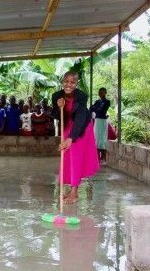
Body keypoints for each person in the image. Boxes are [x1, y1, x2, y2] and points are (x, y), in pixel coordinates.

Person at [51, 71, 99, 204]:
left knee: (76, 157)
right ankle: (71, 189)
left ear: (76, 84)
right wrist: (58, 106)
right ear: (62, 82)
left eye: (72, 82)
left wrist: (71, 138)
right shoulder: (56, 95)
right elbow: (55, 114)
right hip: (67, 126)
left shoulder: (82, 96)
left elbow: (80, 117)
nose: (69, 84)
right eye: (66, 81)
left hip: (81, 127)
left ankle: (74, 193)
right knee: (67, 157)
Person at [89, 87, 110, 165]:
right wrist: (96, 108)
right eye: (99, 92)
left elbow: (102, 110)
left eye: (102, 92)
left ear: (105, 92)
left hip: (103, 121)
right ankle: (97, 158)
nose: (100, 93)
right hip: (97, 121)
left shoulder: (107, 101)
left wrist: (96, 108)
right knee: (96, 138)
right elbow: (91, 108)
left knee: (103, 138)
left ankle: (103, 158)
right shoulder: (97, 101)